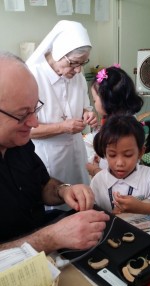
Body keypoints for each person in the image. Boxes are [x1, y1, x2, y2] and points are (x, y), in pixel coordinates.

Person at [0, 51, 110, 253]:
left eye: (35, 109)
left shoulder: (18, 142)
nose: (33, 123)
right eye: (23, 114)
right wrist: (50, 238)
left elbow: (41, 183)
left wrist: (64, 190)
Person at [26, 20, 98, 186]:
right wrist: (62, 127)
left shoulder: (76, 74)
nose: (79, 70)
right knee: (54, 203)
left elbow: (84, 107)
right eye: (74, 63)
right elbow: (24, 130)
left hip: (76, 153)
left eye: (82, 63)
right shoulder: (31, 77)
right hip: (47, 158)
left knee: (79, 197)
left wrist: (87, 114)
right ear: (59, 53)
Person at [90, 114, 150, 217]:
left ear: (140, 152)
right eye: (112, 155)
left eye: (128, 155)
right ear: (105, 153)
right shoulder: (98, 181)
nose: (120, 163)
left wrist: (141, 208)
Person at [86, 65, 144, 177]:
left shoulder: (122, 127)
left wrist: (95, 171)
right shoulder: (123, 119)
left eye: (94, 100)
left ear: (107, 100)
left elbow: (116, 176)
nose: (94, 103)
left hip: (114, 177)